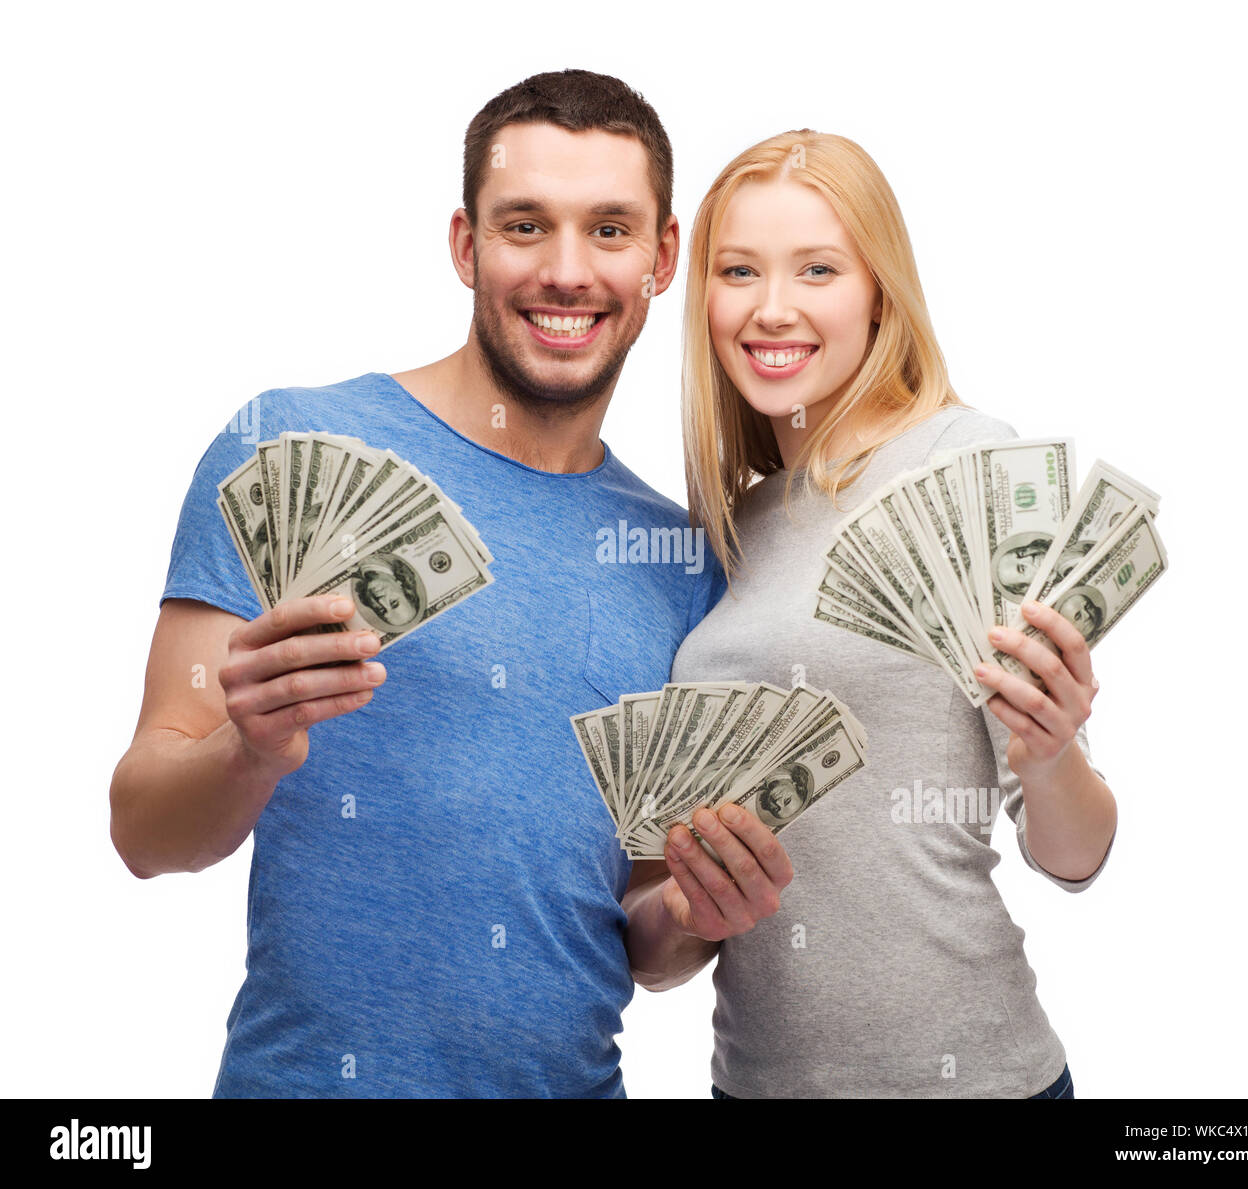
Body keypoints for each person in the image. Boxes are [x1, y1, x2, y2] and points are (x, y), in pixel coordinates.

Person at [108, 69, 791, 1099]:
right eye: (527, 225)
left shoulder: (682, 563)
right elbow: (143, 832)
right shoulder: (286, 445)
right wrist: (248, 747)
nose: (567, 272)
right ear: (467, 245)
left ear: (661, 259)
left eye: (609, 231)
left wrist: (700, 914)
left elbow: (643, 936)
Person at [628, 129, 1116, 1098]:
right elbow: (658, 953)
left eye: (817, 268)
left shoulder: (967, 464)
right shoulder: (726, 531)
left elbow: (1073, 858)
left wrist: (1055, 751)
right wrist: (691, 905)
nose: (772, 308)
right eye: (738, 271)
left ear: (878, 292)